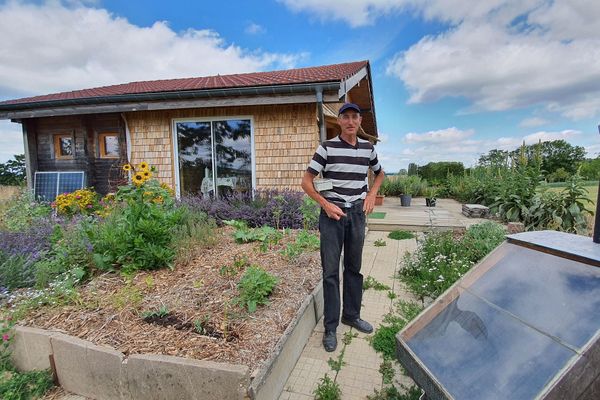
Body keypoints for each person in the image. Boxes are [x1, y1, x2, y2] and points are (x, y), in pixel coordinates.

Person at [301, 102, 385, 352]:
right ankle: (330, 328)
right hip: (332, 216)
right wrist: (325, 205)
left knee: (353, 268)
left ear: (360, 122)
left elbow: (379, 173)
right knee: (330, 273)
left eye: (355, 117)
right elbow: (306, 182)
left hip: (357, 214)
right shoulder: (326, 148)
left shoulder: (368, 149)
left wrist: (371, 195)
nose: (350, 121)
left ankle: (351, 315)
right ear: (339, 121)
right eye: (345, 117)